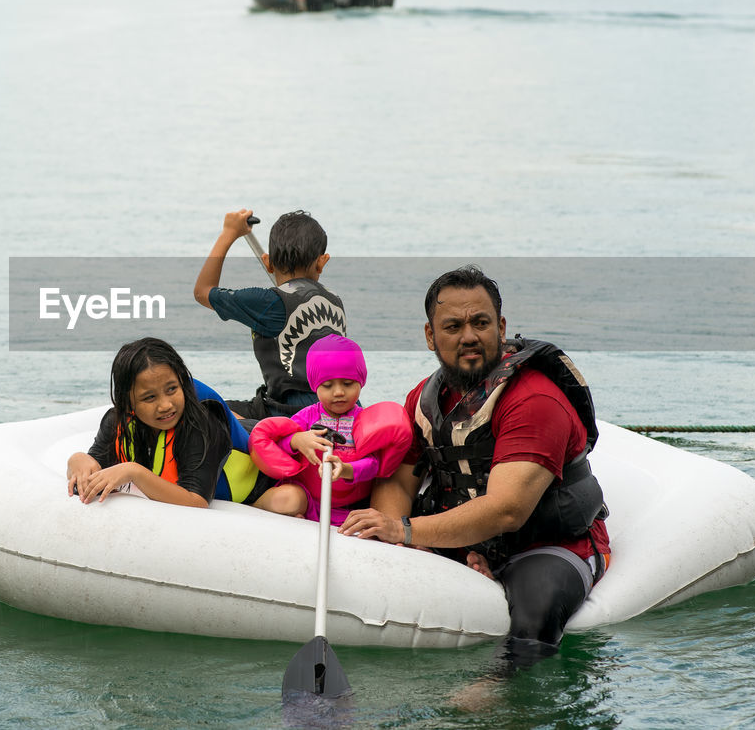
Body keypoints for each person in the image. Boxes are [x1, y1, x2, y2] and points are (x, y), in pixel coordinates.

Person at [339, 265, 610, 667]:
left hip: (545, 544)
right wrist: (402, 543)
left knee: (537, 616)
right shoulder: (424, 399)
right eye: (452, 326)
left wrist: (406, 529)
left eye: (480, 323)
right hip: (464, 539)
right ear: (430, 335)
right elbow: (398, 481)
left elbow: (508, 509)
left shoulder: (535, 399)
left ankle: (494, 699)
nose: (468, 336)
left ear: (500, 327)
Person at [66, 336, 290, 513]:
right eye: (149, 398)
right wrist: (77, 459)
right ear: (128, 403)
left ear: (182, 382)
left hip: (264, 477)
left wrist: (134, 472)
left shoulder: (200, 425)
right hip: (230, 426)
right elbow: (95, 464)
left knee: (287, 502)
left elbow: (196, 501)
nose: (165, 405)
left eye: (172, 389)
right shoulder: (117, 421)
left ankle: (257, 503)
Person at [193, 209, 346, 420]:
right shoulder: (335, 300)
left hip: (292, 413)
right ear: (321, 261)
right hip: (340, 405)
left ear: (268, 263)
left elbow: (202, 291)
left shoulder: (267, 303)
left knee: (201, 407)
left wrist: (228, 233)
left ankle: (260, 437)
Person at [249, 334, 410, 525]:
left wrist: (347, 469)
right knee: (287, 498)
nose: (339, 392)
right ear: (315, 386)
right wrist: (296, 440)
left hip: (350, 508)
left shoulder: (366, 420)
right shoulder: (306, 417)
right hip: (308, 498)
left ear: (361, 381)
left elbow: (373, 463)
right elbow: (279, 447)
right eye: (327, 385)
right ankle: (253, 508)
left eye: (348, 384)